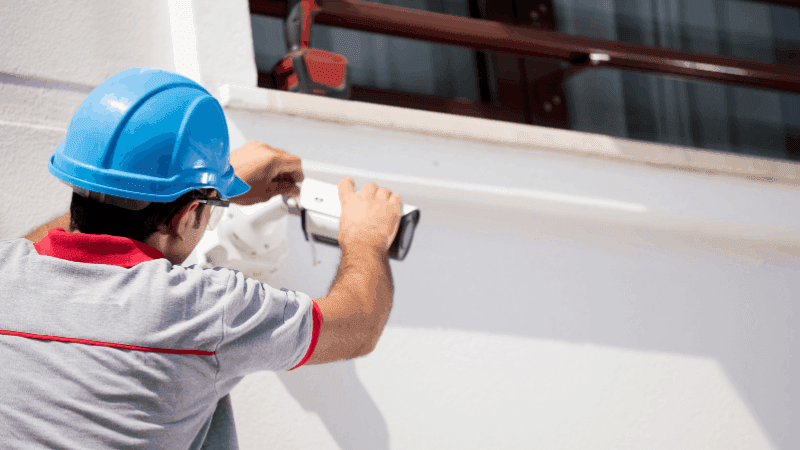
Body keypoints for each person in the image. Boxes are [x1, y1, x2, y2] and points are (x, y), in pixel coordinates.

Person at [0, 67, 402, 449]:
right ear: (187, 215)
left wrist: (199, 188)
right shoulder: (205, 310)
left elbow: (41, 243)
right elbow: (358, 325)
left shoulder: (7, 271)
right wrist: (366, 236)